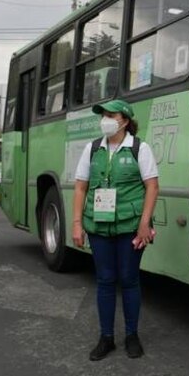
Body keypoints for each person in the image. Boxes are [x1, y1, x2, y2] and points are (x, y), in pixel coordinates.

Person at [71, 99, 159, 361]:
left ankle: (131, 335)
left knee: (129, 279)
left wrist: (144, 223)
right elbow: (80, 187)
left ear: (125, 120)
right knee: (105, 280)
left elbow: (152, 187)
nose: (106, 119)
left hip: (131, 227)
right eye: (104, 115)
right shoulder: (92, 148)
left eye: (111, 115)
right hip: (98, 226)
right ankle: (106, 338)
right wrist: (77, 224)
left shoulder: (139, 148)